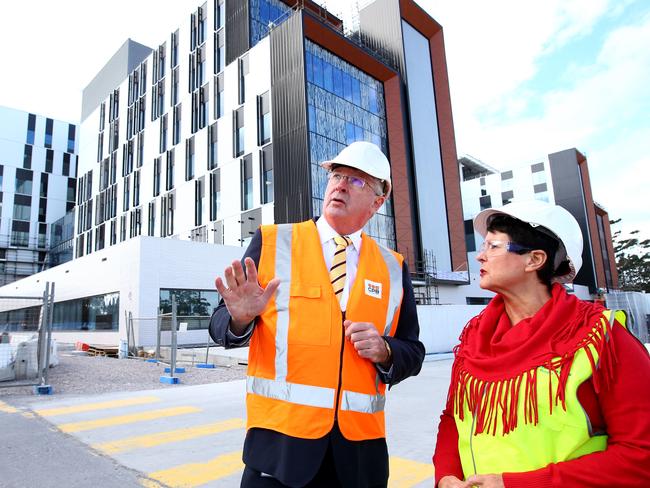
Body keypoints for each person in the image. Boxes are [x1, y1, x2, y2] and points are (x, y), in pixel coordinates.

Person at [209, 141, 425, 488]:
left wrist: (386, 350)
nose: (340, 184)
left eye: (356, 181)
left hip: (359, 460)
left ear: (378, 201)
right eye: (337, 176)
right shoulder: (273, 241)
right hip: (279, 452)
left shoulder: (392, 267)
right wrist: (240, 319)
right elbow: (220, 325)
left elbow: (412, 352)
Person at [432, 200, 650, 487]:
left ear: (534, 260)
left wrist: (517, 484)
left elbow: (640, 455)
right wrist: (446, 475)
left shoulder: (602, 338)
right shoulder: (473, 338)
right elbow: (452, 418)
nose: (480, 257)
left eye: (494, 246)